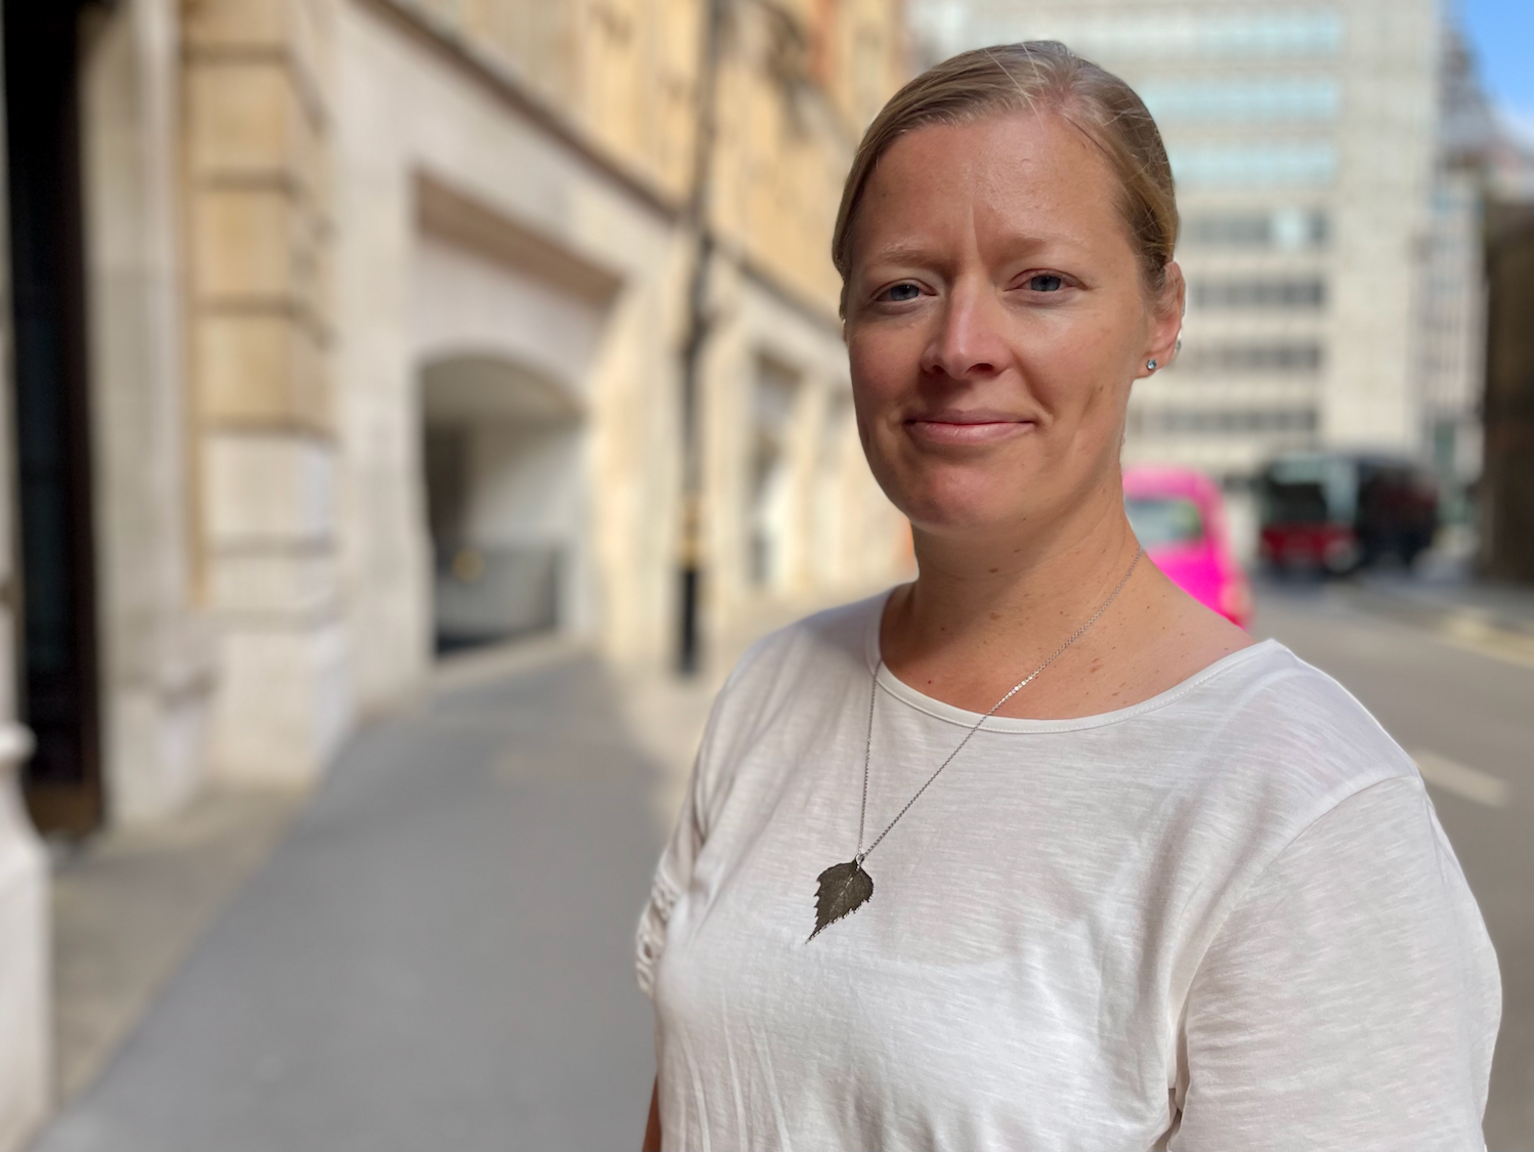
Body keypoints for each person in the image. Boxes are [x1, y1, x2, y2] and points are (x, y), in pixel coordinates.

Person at [634, 41, 1499, 1152]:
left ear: (1158, 315)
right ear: (848, 327)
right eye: (902, 289)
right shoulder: (769, 689)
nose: (957, 347)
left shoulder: (1301, 809)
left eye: (1039, 282)